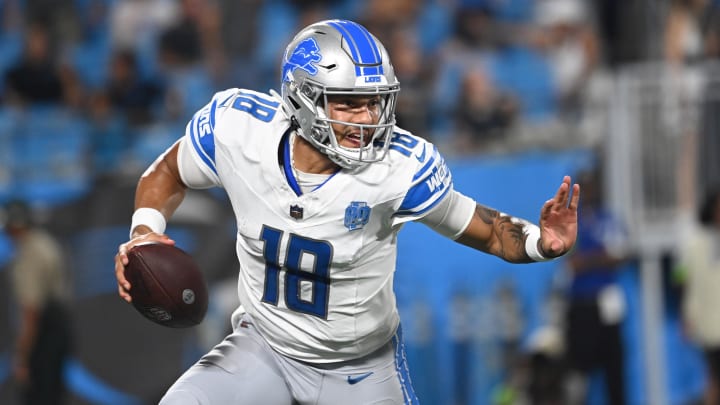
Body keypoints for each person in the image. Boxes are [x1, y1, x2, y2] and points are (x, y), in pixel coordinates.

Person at [114, 19, 580, 404]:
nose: (367, 119)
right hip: (266, 347)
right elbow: (166, 172)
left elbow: (489, 231)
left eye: (374, 103)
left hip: (360, 369)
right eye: (349, 103)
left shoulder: (399, 167)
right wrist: (144, 233)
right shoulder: (240, 130)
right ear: (301, 99)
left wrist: (542, 243)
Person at [562, 168, 628, 405]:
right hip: (581, 304)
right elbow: (570, 262)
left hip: (606, 303)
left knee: (614, 369)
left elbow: (618, 254)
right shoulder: (571, 221)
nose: (589, 192)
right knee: (579, 370)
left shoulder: (608, 218)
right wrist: (599, 258)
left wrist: (589, 260)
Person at [2, 200, 72, 405]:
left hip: (44, 335)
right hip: (58, 329)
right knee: (53, 394)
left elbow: (31, 310)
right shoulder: (45, 242)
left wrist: (23, 356)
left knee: (39, 396)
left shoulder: (30, 252)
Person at [677, 188, 720, 405]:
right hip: (710, 326)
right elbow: (680, 277)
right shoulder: (695, 242)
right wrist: (687, 315)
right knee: (712, 376)